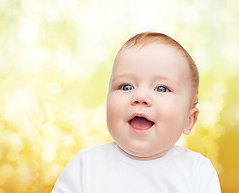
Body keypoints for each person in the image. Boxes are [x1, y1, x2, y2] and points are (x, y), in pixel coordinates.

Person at [52, 32, 221, 193]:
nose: (140, 96)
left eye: (161, 88)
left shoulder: (197, 170)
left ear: (189, 120)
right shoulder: (85, 166)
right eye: (126, 86)